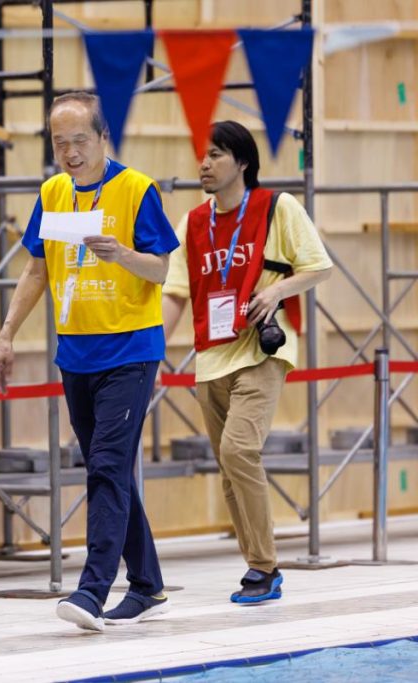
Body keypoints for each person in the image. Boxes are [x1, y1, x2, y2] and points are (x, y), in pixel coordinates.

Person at [0, 91, 179, 632]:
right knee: (107, 468)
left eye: (79, 141)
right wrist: (5, 334)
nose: (69, 152)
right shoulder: (52, 193)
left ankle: (93, 589)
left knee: (107, 467)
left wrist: (123, 255)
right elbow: (36, 271)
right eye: (59, 142)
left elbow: (161, 270)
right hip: (76, 351)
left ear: (102, 138)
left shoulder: (136, 188)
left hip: (129, 349)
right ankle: (147, 584)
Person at [162, 121, 332, 604]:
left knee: (240, 452)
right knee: (228, 466)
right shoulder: (192, 223)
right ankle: (258, 565)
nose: (204, 164)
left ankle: (264, 566)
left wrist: (277, 290)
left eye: (215, 155)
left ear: (242, 162)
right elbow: (175, 293)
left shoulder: (278, 208)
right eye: (203, 155)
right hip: (210, 355)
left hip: (263, 349)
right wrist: (154, 349)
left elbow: (319, 264)